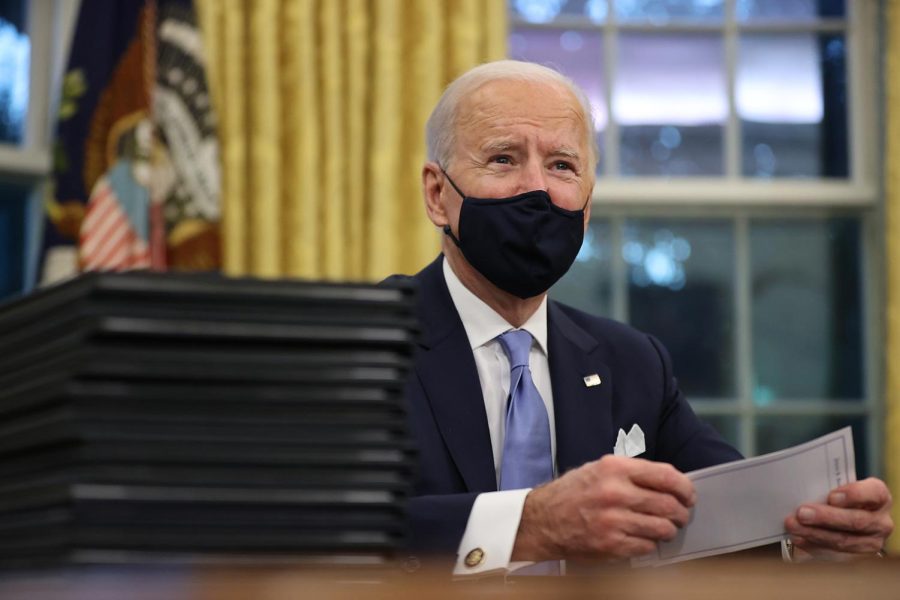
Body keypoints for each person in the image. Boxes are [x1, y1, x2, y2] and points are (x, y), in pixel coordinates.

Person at [389, 60, 893, 575]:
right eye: (503, 158)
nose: (536, 189)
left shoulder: (632, 363)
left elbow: (728, 511)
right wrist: (530, 524)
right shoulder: (354, 344)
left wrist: (812, 538)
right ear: (437, 194)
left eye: (563, 165)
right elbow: (319, 525)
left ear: (586, 205)